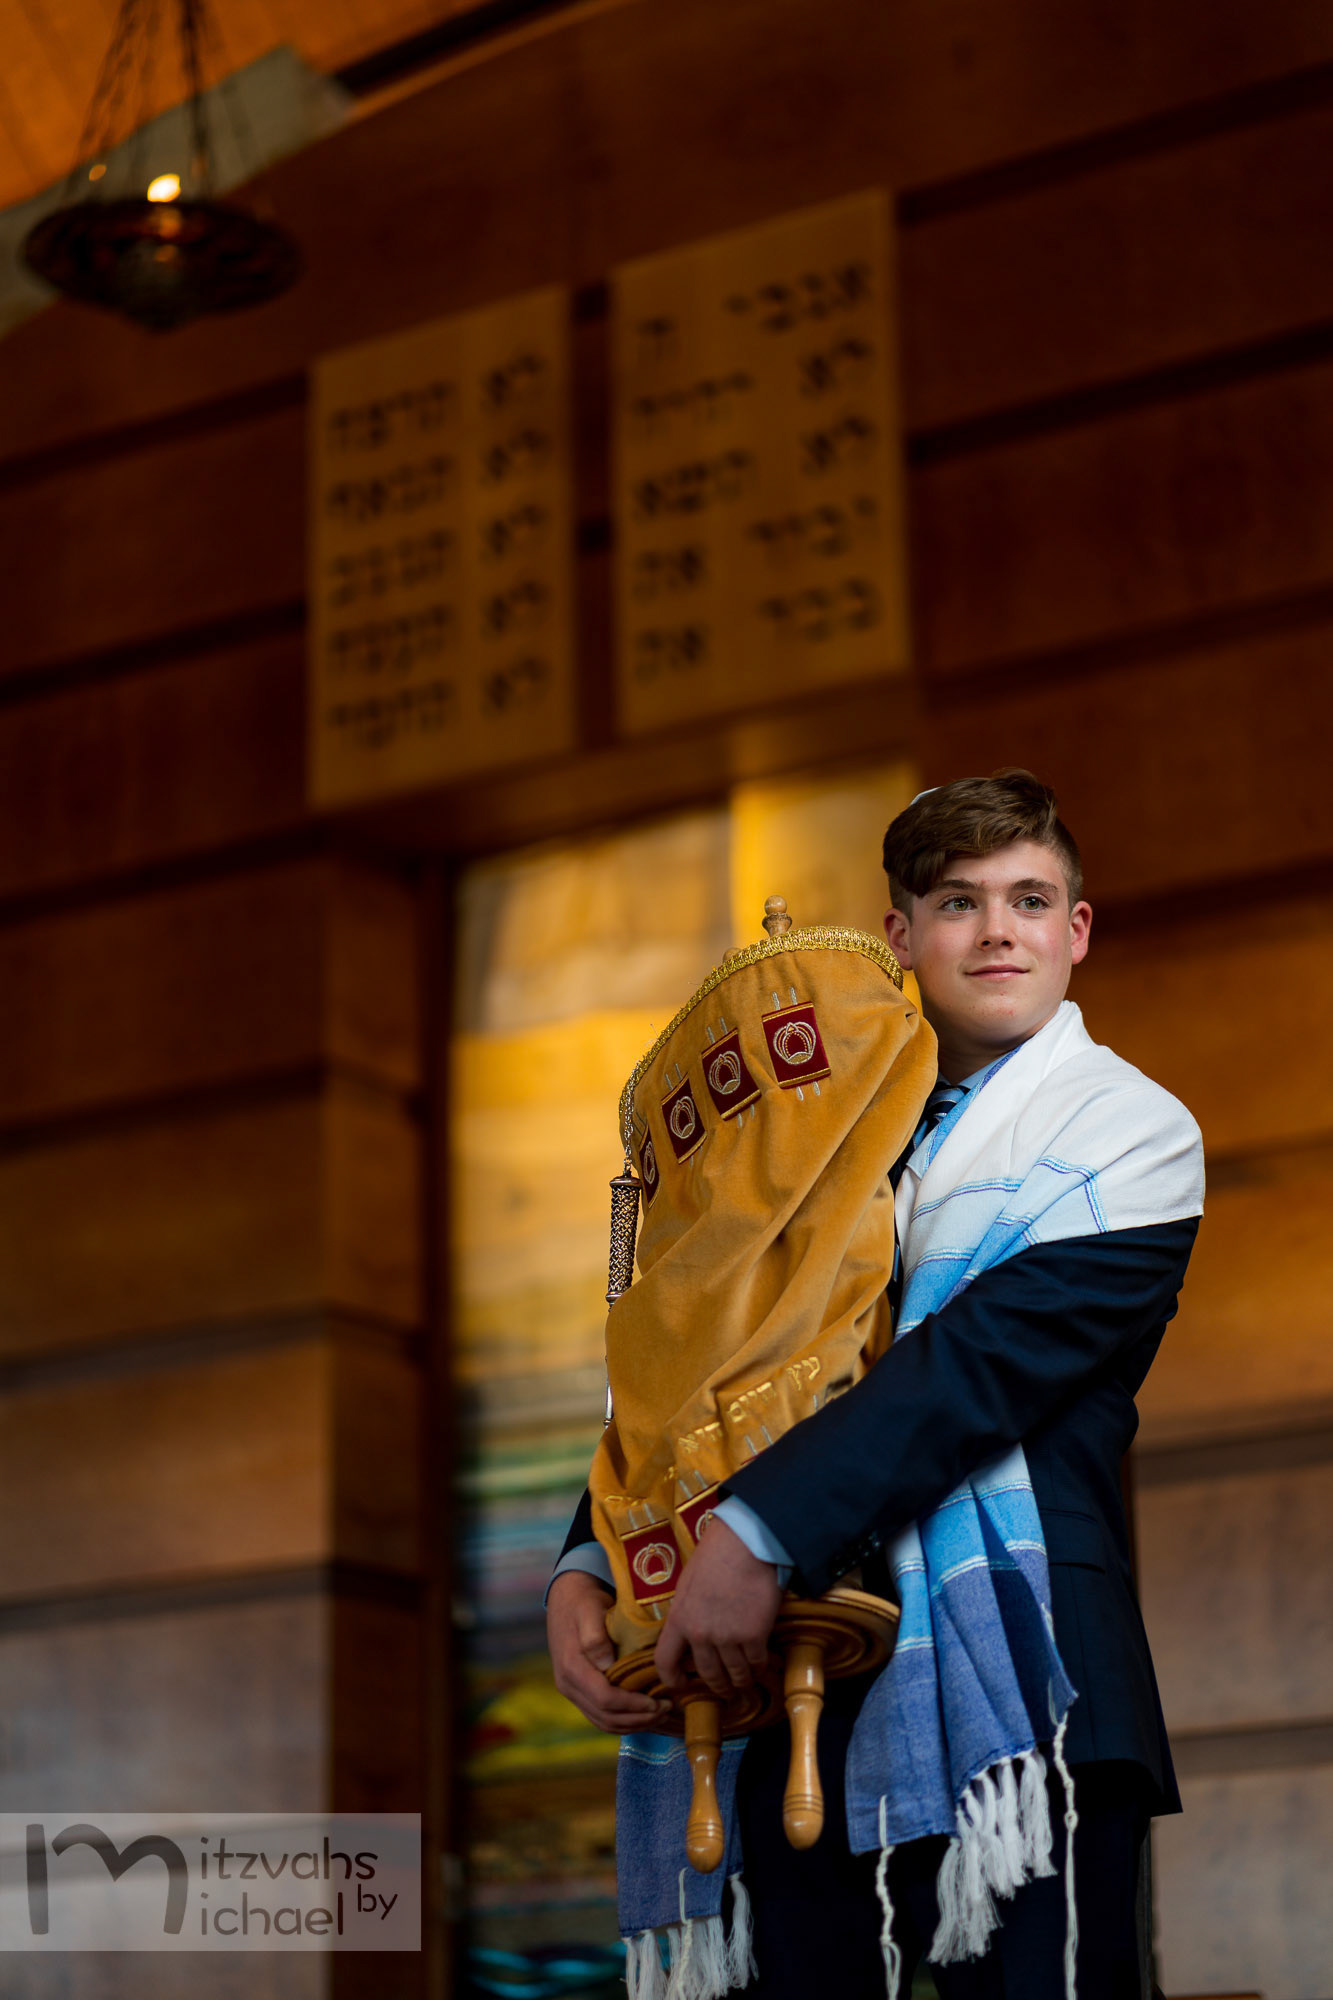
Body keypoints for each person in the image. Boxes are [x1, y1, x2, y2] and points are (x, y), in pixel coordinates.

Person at [547, 771, 1203, 1999]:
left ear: (1077, 931)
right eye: (958, 901)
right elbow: (698, 1346)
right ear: (900, 936)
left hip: (1022, 1689)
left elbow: (968, 1369)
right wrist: (596, 1554)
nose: (997, 929)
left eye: (1029, 897)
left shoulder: (1126, 1125)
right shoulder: (806, 1134)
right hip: (787, 1683)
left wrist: (749, 1528)